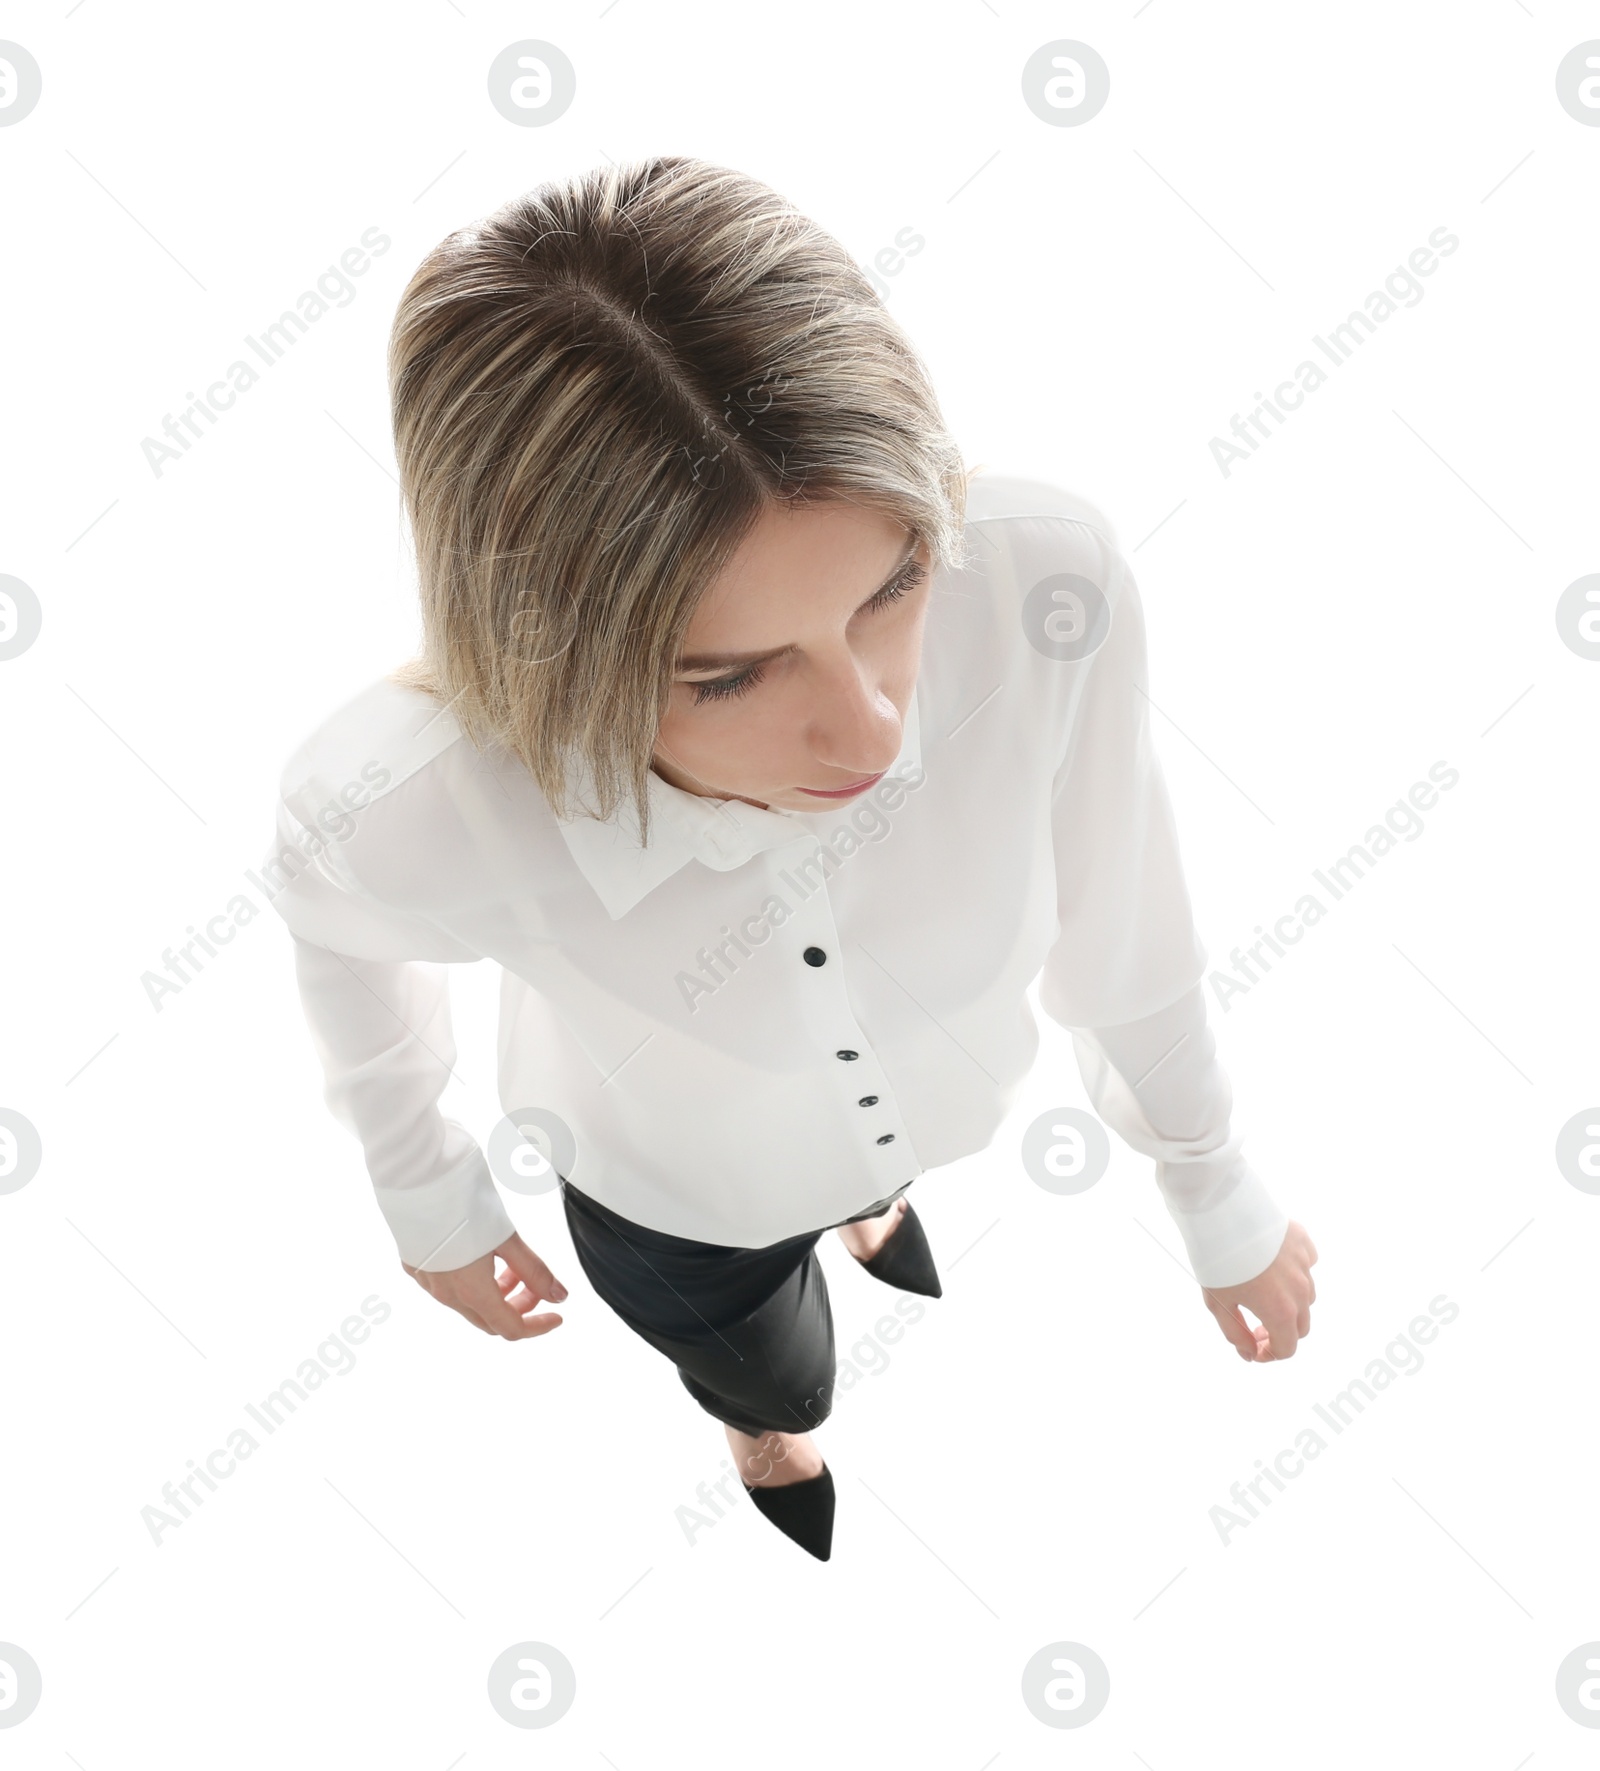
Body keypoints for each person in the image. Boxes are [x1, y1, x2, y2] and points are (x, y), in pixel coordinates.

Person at [263, 155, 1318, 1562]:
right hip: (674, 1207)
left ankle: (876, 1208)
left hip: (942, 1103)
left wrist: (1209, 1173)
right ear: (546, 652)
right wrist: (423, 1187)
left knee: (885, 1171)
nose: (871, 722)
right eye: (725, 677)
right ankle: (763, 1418)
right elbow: (342, 934)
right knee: (767, 1364)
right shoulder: (398, 802)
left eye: (891, 589)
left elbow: (1125, 913)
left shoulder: (1042, 585)